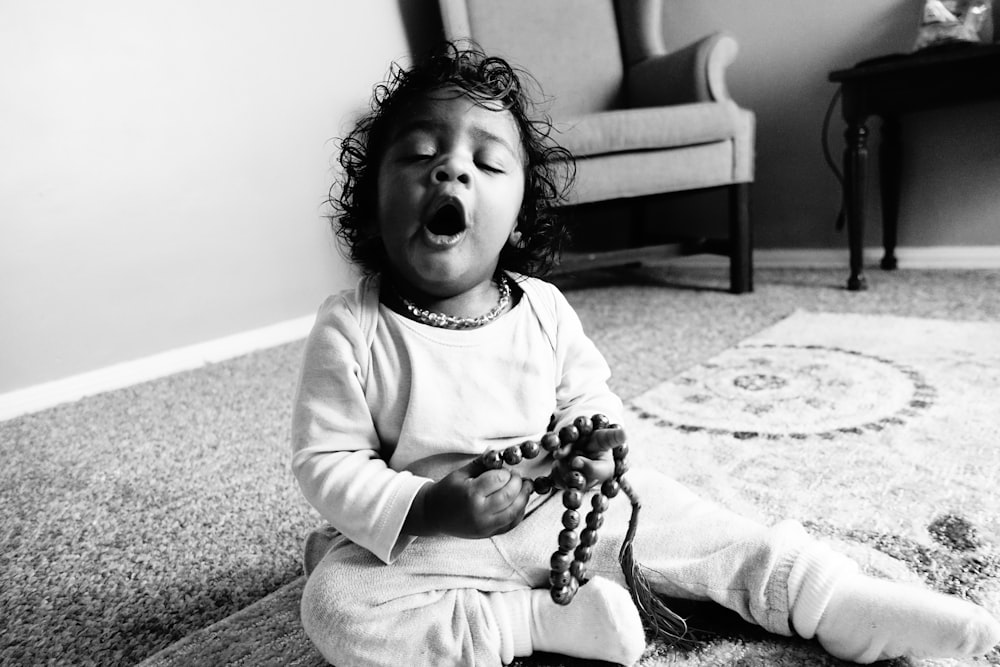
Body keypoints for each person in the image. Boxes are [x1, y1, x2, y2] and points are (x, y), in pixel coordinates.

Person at [291, 42, 1000, 667]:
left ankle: (827, 597)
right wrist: (424, 507)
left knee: (696, 526)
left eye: (486, 162)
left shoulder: (540, 307)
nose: (451, 172)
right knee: (335, 601)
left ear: (516, 218)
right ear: (372, 190)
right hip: (435, 536)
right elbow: (327, 461)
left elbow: (589, 397)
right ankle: (532, 620)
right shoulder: (353, 325)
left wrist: (598, 442)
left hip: (561, 506)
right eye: (419, 154)